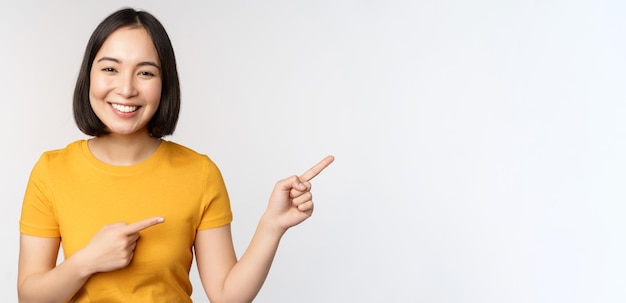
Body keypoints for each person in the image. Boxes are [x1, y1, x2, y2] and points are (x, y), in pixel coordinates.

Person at [17, 7, 334, 303]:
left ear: (164, 84)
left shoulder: (199, 173)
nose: (126, 88)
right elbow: (29, 296)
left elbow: (226, 295)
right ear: (89, 76)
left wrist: (272, 225)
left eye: (145, 73)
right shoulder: (51, 171)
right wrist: (86, 262)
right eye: (110, 68)